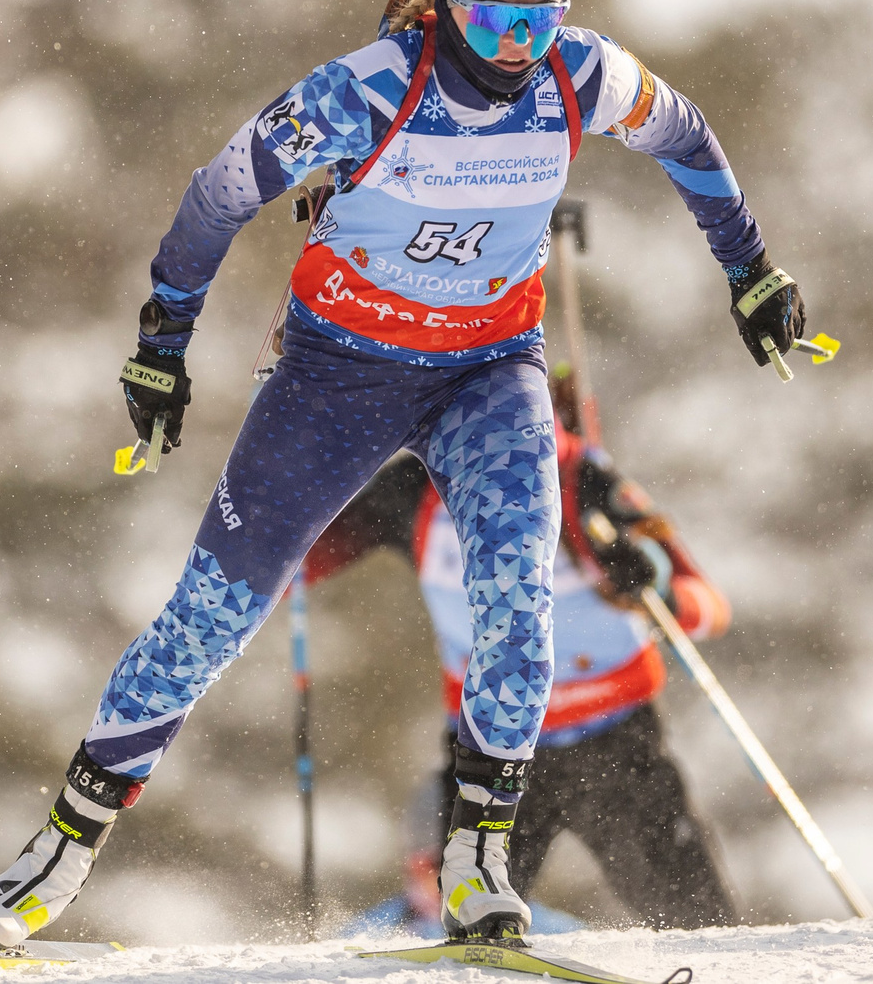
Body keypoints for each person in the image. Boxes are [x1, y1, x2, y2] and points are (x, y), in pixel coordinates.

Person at [0, 0, 806, 956]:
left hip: (489, 371)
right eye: (493, 18)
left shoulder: (581, 74)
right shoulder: (361, 93)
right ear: (442, 1)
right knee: (208, 619)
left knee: (516, 599)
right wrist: (162, 342)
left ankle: (478, 859)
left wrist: (751, 272)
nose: (517, 45)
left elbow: (687, 136)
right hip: (337, 376)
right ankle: (56, 857)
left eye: (537, 19)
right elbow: (218, 194)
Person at [307, 368, 738, 933]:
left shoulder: (582, 478)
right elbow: (294, 556)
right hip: (491, 746)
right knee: (456, 925)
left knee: (697, 923)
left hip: (615, 744)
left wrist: (653, 590)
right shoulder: (415, 490)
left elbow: (708, 605)